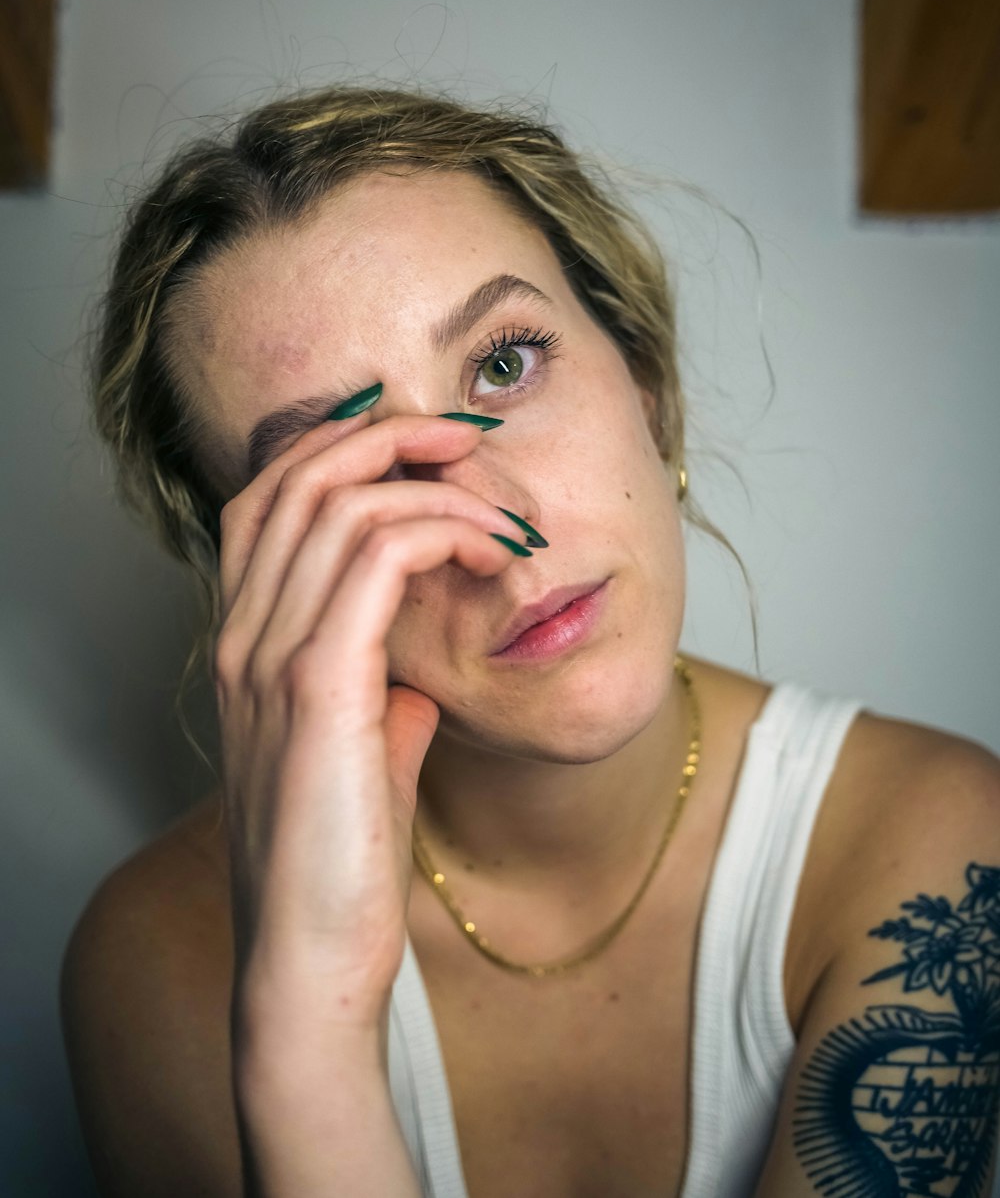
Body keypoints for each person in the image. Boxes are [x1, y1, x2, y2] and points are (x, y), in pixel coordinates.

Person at [61, 85, 999, 1198]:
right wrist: (306, 1020)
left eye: (505, 362)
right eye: (349, 478)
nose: (499, 537)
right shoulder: (153, 962)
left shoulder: (931, 845)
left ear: (642, 377)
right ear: (258, 583)